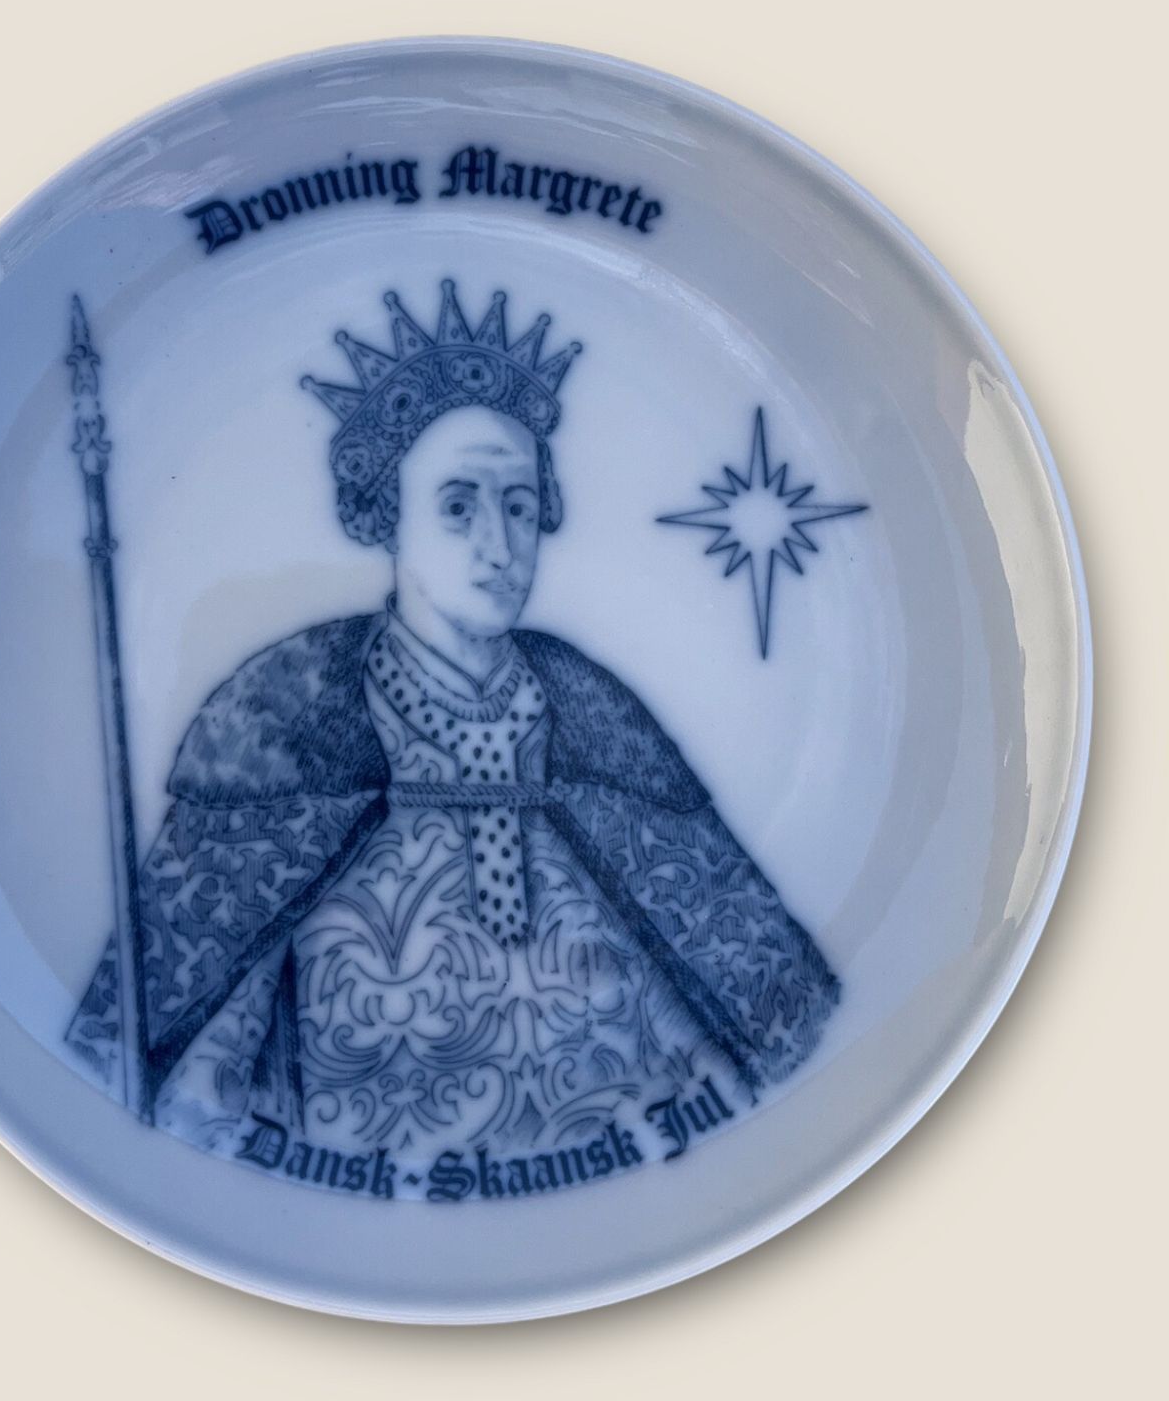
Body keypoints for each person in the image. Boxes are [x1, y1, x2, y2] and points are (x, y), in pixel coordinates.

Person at [67, 281, 839, 1173]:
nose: (499, 547)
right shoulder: (285, 717)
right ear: (387, 516)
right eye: (459, 505)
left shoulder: (597, 715)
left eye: (520, 506)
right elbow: (186, 1043)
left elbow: (750, 1008)